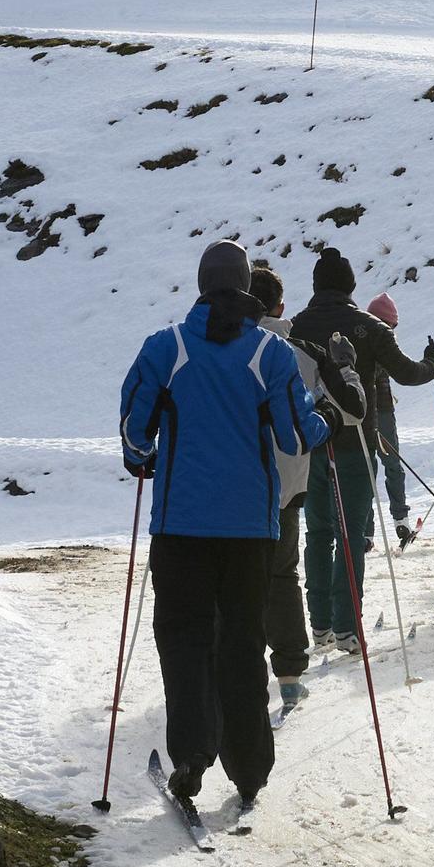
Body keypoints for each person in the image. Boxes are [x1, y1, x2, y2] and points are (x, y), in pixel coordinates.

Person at [118, 241, 328, 807]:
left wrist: (142, 458)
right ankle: (250, 769)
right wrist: (329, 417)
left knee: (184, 640)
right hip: (249, 530)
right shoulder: (270, 353)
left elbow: (135, 429)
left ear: (201, 284)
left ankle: (191, 756)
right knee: (242, 642)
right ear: (245, 285)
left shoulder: (166, 347)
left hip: (180, 525)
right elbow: (295, 436)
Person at [291, 249, 434, 652]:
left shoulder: (296, 327)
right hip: (355, 442)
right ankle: (347, 627)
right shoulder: (370, 327)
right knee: (351, 535)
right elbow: (407, 373)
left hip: (311, 444)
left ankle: (320, 625)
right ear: (351, 286)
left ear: (315, 285)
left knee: (318, 533)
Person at [250, 266, 364, 707]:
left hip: (230, 487)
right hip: (285, 484)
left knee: (236, 582)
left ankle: (240, 673)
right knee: (282, 576)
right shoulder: (303, 351)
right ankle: (289, 673)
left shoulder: (218, 344)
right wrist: (346, 367)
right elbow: (352, 411)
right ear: (280, 306)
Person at [365, 292, 416, 539]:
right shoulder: (368, 338)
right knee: (373, 465)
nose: (392, 330)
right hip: (370, 411)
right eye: (391, 325)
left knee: (388, 463)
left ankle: (399, 520)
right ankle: (368, 527)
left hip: (381, 409)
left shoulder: (378, 338)